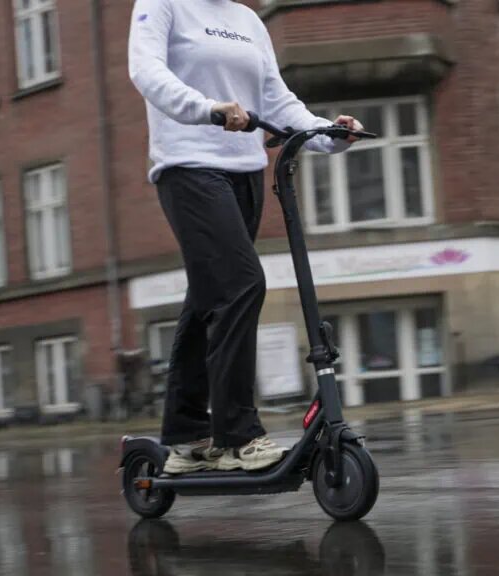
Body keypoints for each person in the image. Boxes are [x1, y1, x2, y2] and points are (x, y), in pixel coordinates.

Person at [128, 0, 363, 474]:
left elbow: (275, 100)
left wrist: (327, 133)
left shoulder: (247, 19)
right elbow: (145, 71)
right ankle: (236, 435)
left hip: (245, 174)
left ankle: (185, 432)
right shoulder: (163, 3)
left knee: (208, 299)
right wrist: (208, 109)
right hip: (189, 167)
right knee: (241, 284)